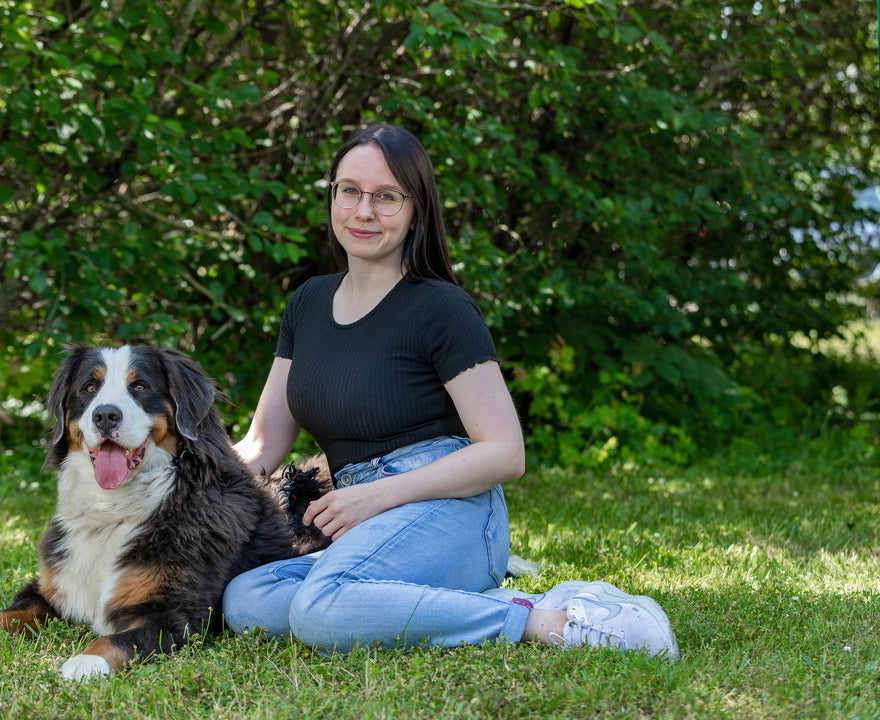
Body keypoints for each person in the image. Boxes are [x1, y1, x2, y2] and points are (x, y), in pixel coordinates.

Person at [222, 124, 679, 661]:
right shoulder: (308, 304)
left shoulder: (440, 308)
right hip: (362, 515)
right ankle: (451, 602)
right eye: (349, 191)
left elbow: (506, 453)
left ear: (417, 208)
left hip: (449, 507)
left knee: (319, 608)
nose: (363, 211)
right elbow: (261, 445)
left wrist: (382, 493)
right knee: (247, 599)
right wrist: (162, 475)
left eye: (386, 197)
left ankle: (548, 621)